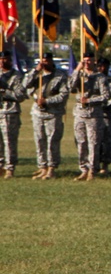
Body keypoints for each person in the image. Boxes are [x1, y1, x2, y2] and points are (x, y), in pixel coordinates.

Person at [25, 53, 70, 180]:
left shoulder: (60, 76)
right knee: (39, 141)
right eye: (43, 61)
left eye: (47, 61)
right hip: (38, 113)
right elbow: (25, 85)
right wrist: (35, 71)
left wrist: (47, 101)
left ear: (51, 61)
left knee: (52, 142)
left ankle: (51, 168)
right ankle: (42, 167)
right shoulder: (37, 74)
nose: (45, 63)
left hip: (53, 113)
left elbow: (64, 95)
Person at [68, 51, 110, 181]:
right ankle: (83, 169)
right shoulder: (79, 75)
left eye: (89, 60)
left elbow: (106, 96)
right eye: (85, 61)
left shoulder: (100, 77)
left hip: (94, 115)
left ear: (94, 61)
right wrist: (77, 70)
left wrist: (90, 100)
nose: (87, 63)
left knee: (94, 143)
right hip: (80, 114)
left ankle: (92, 169)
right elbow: (70, 87)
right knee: (81, 143)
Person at [0, 50, 27, 179]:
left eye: (5, 59)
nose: (2, 61)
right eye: (0, 59)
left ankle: (10, 167)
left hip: (9, 112)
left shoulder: (16, 76)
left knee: (9, 142)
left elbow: (20, 95)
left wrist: (5, 93)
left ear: (10, 60)